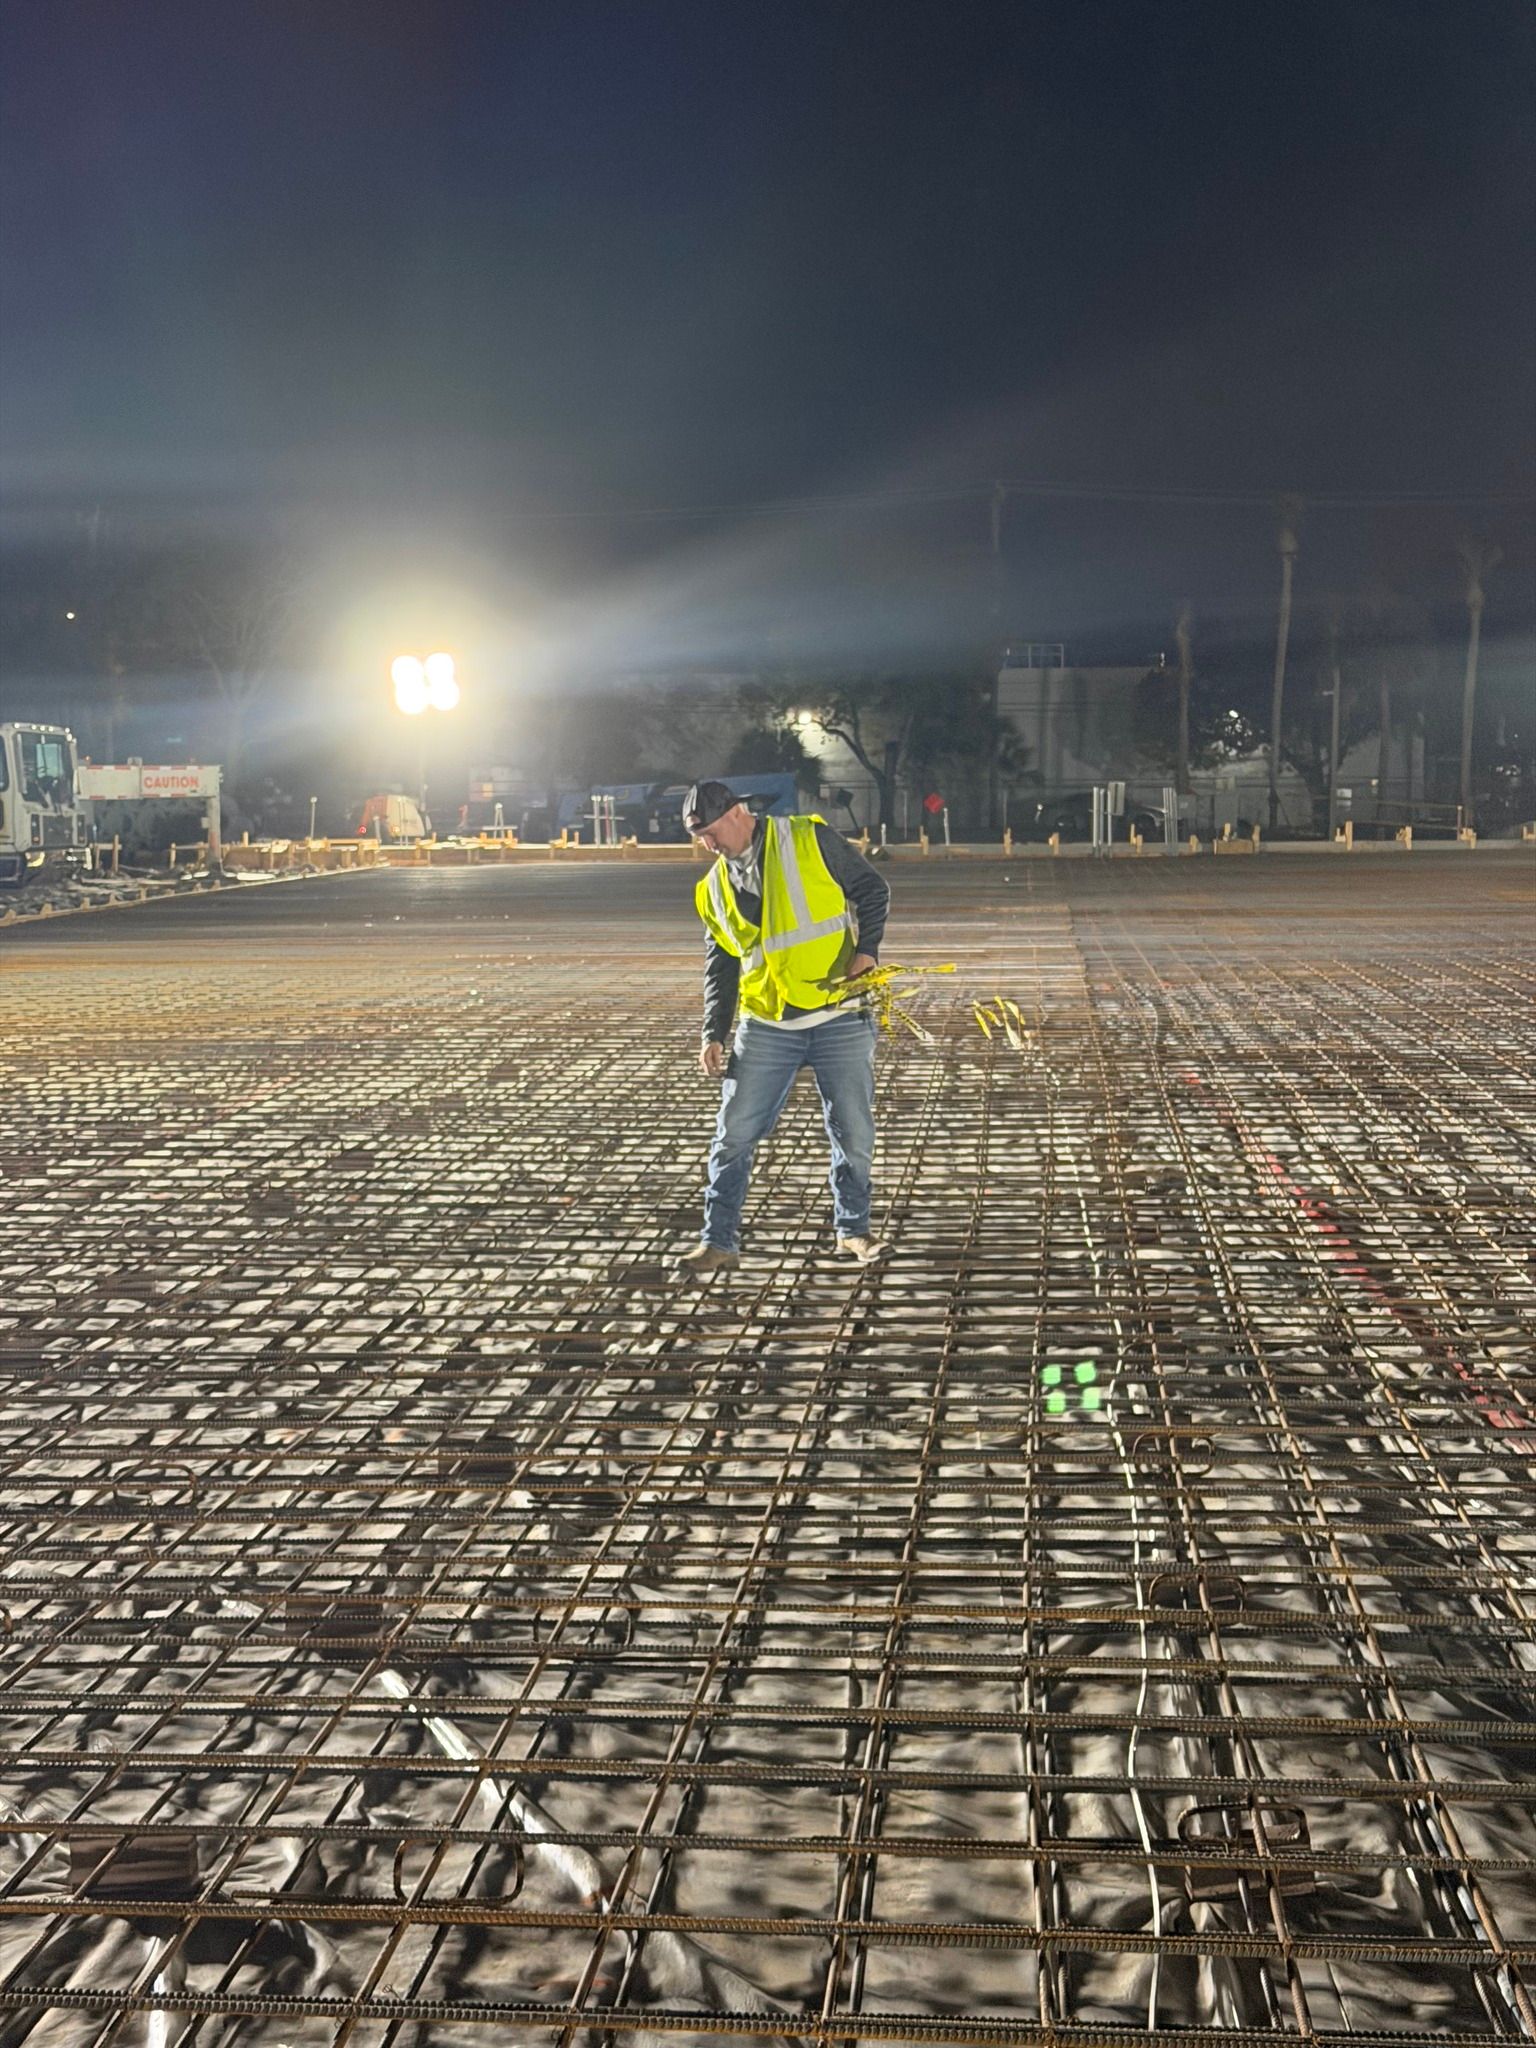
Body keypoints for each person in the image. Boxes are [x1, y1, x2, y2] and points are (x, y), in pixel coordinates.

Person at [674, 779, 892, 1275]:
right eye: (699, 838)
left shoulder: (807, 839)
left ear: (734, 813)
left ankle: (853, 1232)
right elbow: (722, 965)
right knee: (733, 1135)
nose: (707, 846)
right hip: (767, 1025)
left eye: (710, 833)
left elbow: (872, 891)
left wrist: (867, 952)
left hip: (838, 1015)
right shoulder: (711, 889)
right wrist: (714, 1031)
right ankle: (717, 1241)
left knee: (853, 1133)